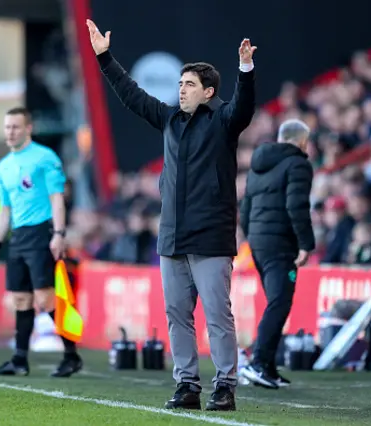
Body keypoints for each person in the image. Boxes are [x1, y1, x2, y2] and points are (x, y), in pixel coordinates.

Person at [87, 19, 256, 411]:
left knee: (217, 316)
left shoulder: (224, 121)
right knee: (178, 316)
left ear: (208, 91)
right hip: (172, 237)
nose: (181, 89)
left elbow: (244, 108)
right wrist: (104, 57)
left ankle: (225, 385)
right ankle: (187, 386)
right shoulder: (169, 120)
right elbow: (132, 95)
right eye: (179, 84)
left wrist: (245, 70)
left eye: (189, 85)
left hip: (211, 237)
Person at [0, 107, 83, 378]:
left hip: (42, 232)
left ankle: (71, 355)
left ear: (28, 128)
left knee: (45, 297)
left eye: (15, 127)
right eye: (7, 127)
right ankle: (19, 359)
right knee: (20, 298)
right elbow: (5, 210)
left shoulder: (44, 158)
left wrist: (58, 234)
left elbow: (57, 199)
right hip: (19, 236)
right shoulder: (4, 165)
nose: (10, 132)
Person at [238, 119, 315, 388]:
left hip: (258, 242)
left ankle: (267, 367)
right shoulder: (298, 165)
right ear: (301, 140)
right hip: (281, 243)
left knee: (276, 301)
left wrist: (252, 237)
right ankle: (258, 364)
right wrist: (306, 244)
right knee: (280, 303)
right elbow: (297, 206)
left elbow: (245, 208)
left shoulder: (259, 165)